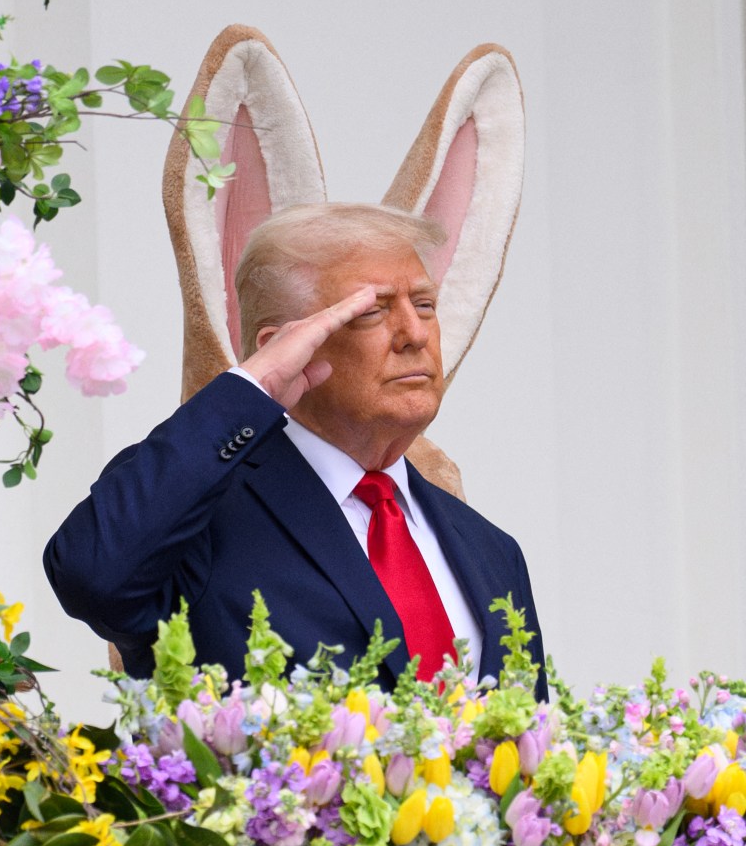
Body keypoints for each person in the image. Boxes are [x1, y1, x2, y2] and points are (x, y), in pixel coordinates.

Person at [43, 203, 547, 698]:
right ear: (285, 346)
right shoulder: (203, 515)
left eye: (424, 305)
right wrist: (251, 388)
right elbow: (93, 575)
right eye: (371, 311)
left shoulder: (491, 552)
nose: (415, 334)